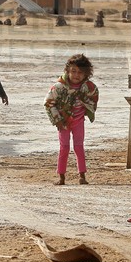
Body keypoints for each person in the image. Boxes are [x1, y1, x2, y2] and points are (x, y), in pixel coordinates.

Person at [45, 53, 99, 185]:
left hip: (78, 122)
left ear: (86, 73)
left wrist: (87, 106)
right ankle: (61, 177)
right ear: (67, 71)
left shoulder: (89, 87)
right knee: (64, 147)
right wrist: (57, 119)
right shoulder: (59, 87)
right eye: (73, 71)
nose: (76, 75)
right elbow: (48, 103)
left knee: (79, 147)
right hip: (63, 122)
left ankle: (82, 176)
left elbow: (94, 98)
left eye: (80, 72)